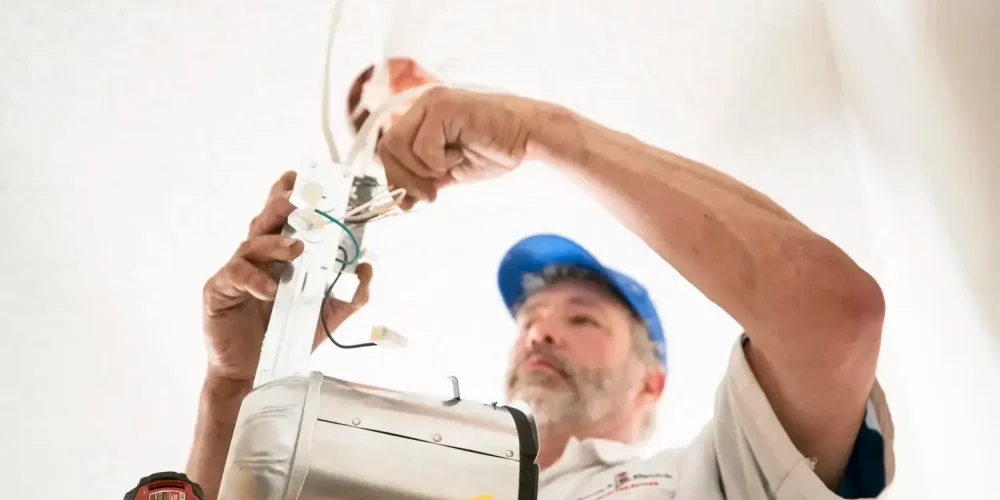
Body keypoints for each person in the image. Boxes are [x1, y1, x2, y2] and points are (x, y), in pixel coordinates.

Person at [187, 87, 895, 499]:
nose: (539, 334)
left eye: (582, 317)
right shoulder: (408, 475)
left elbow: (834, 318)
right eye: (530, 319)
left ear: (652, 383)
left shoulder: (705, 478)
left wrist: (546, 132)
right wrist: (236, 392)